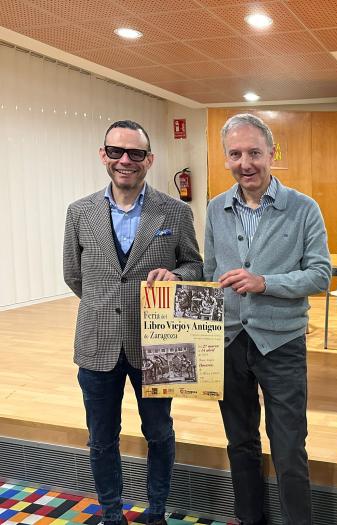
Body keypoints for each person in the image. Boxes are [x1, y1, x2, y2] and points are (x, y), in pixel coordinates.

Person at [63, 120, 203, 525]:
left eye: (136, 153)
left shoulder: (175, 210)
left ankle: (156, 511)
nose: (125, 160)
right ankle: (111, 514)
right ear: (103, 155)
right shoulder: (79, 213)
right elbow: (74, 275)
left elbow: (195, 264)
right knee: (101, 439)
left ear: (149, 159)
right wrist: (105, 306)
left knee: (159, 433)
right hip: (96, 344)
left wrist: (178, 276)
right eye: (116, 151)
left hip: (161, 344)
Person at [204, 113, 331, 525]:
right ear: (226, 158)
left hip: (282, 345)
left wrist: (265, 282)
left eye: (255, 153)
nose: (246, 163)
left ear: (273, 154)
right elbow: (209, 273)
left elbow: (319, 274)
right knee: (239, 442)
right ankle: (249, 518)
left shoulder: (303, 208)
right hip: (228, 345)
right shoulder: (214, 209)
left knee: (290, 447)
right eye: (236, 154)